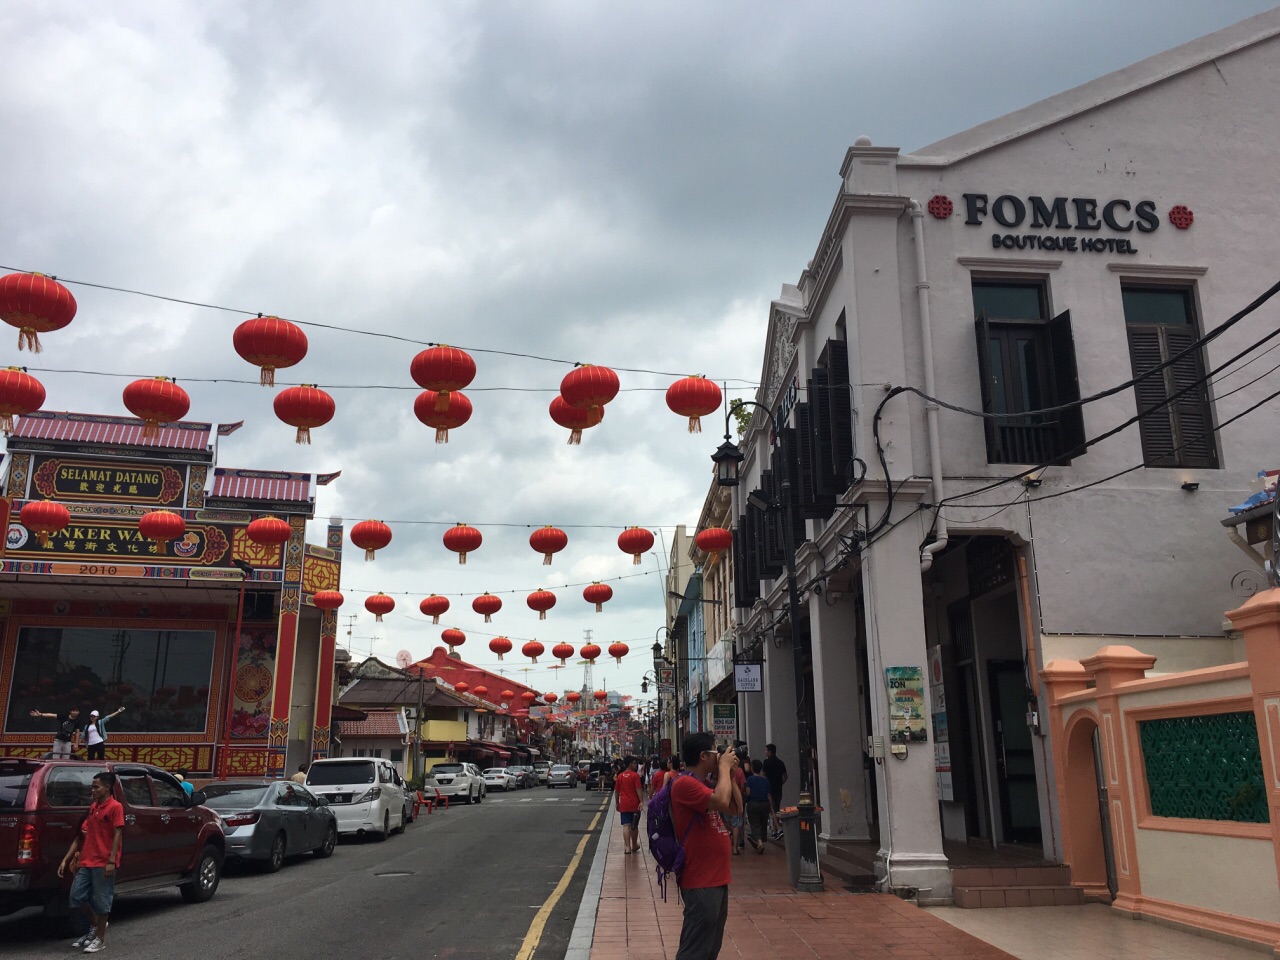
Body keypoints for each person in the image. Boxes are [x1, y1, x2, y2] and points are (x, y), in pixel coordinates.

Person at [671, 732, 740, 960]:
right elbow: (721, 801)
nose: (719, 756)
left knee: (710, 948)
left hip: (717, 878)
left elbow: (735, 808)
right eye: (715, 752)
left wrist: (728, 774)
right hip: (700, 879)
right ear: (703, 756)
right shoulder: (684, 784)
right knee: (695, 949)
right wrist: (723, 769)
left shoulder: (706, 784)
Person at [59, 770, 123, 953]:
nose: (92, 790)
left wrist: (111, 860)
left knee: (103, 901)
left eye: (96, 787)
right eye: (92, 786)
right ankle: (96, 925)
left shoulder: (115, 807)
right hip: (87, 861)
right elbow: (82, 836)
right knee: (76, 897)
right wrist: (71, 859)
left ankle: (100, 939)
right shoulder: (93, 807)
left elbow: (118, 834)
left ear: (107, 787)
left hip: (103, 862)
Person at [614, 756, 644, 854]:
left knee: (626, 825)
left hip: (624, 804)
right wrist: (641, 801)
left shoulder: (620, 776)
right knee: (634, 825)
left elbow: (617, 791)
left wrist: (617, 803)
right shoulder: (635, 776)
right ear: (630, 764)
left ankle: (627, 847)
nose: (636, 765)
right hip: (634, 804)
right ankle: (634, 845)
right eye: (634, 763)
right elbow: (638, 789)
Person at [744, 760, 772, 853]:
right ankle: (761, 839)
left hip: (753, 803)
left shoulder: (750, 780)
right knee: (763, 823)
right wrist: (771, 807)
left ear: (752, 768)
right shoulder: (765, 780)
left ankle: (759, 842)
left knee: (755, 823)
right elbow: (768, 795)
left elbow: (748, 792)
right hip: (765, 804)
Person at [761, 743, 788, 840]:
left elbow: (764, 775)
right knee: (776, 808)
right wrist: (780, 783)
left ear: (769, 752)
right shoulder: (780, 762)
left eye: (766, 750)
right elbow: (785, 776)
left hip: (770, 789)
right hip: (778, 789)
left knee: (773, 809)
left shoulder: (766, 762)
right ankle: (775, 831)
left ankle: (778, 829)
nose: (765, 752)